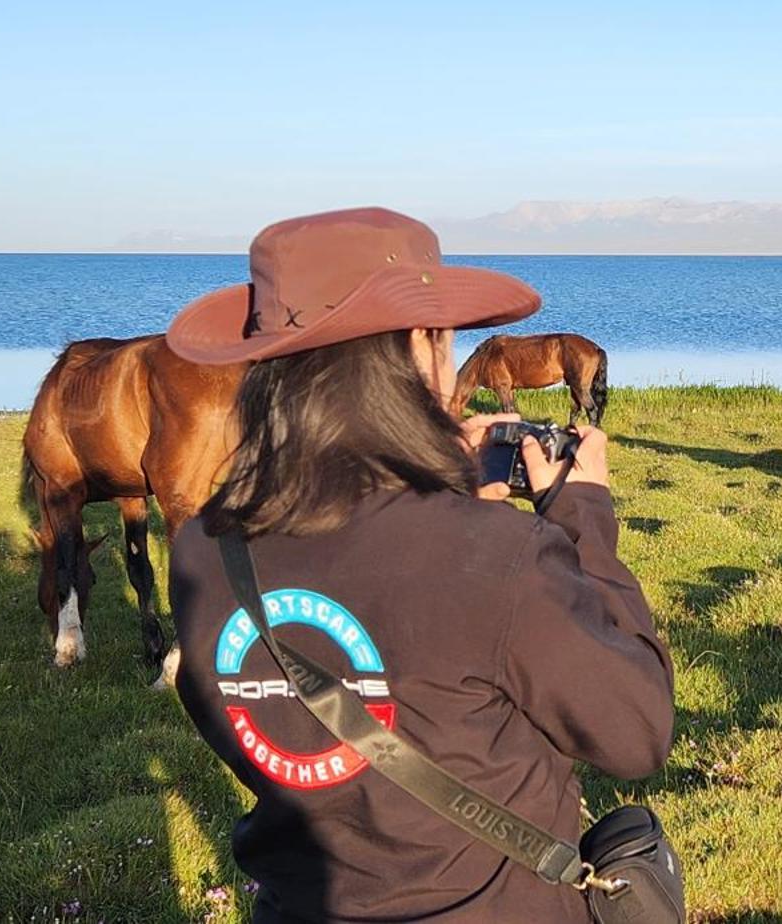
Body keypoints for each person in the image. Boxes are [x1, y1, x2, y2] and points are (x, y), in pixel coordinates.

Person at [164, 207, 674, 922]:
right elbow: (637, 729)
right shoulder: (497, 556)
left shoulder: (205, 549)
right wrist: (582, 511)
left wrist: (435, 490)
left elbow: (256, 716)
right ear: (418, 348)